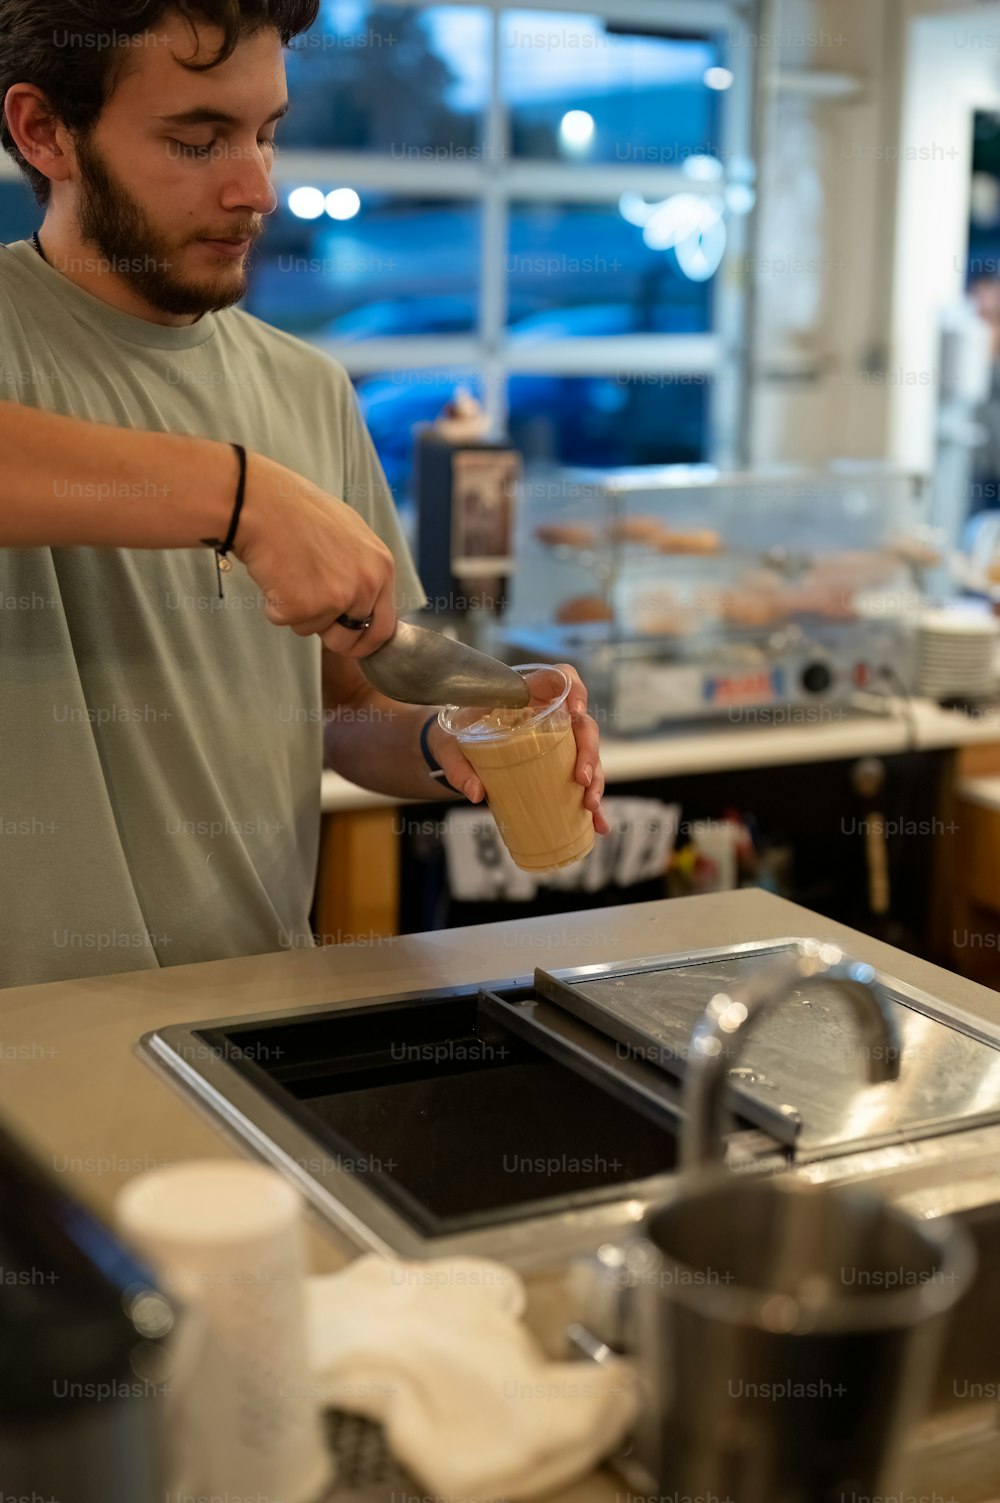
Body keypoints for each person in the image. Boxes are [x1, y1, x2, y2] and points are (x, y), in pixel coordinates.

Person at [0, 0, 609, 988]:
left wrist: (448, 736)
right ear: (43, 131)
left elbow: (342, 704)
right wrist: (236, 493)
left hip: (247, 1017)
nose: (257, 189)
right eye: (197, 140)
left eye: (266, 134)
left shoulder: (306, 389)